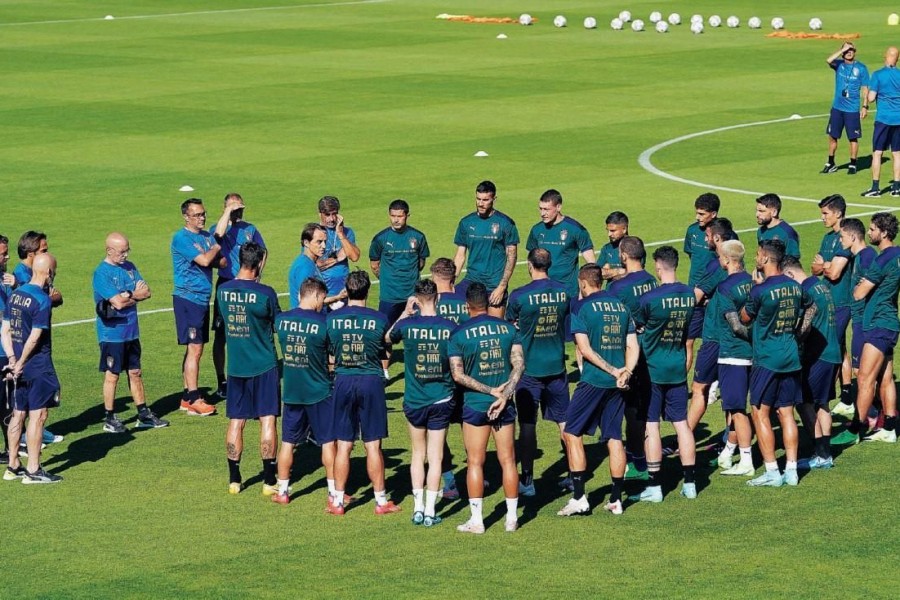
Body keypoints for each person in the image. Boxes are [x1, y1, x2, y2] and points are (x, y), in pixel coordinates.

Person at [557, 265, 637, 517]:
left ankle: (579, 497)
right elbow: (633, 346)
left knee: (571, 433)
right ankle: (616, 499)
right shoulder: (622, 307)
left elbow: (585, 350)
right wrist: (626, 372)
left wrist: (614, 371)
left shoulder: (582, 308)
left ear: (583, 283)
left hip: (594, 381)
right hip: (618, 384)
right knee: (614, 437)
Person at [449, 282, 524, 533]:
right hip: (504, 404)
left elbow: (458, 376)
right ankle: (512, 519)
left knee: (475, 462)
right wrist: (504, 394)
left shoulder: (458, 335)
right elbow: (519, 366)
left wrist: (487, 391)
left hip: (475, 405)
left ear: (467, 305)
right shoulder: (507, 329)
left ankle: (477, 520)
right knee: (509, 461)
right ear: (489, 303)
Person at [740, 240, 814, 487]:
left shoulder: (760, 291)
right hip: (791, 355)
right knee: (786, 412)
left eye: (758, 254)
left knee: (760, 412)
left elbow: (745, 317)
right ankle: (792, 470)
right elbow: (809, 306)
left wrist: (754, 289)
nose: (755, 257)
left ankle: (772, 471)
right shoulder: (795, 286)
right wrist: (798, 332)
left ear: (765, 259)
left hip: (767, 358)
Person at [328, 271, 400, 515]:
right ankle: (380, 501)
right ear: (368, 291)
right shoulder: (379, 319)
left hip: (343, 380)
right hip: (370, 381)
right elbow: (385, 351)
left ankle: (338, 501)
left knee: (343, 445)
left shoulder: (333, 319)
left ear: (347, 291)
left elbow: (329, 351)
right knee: (372, 445)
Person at [387, 279, 456, 527]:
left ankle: (416, 508)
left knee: (418, 454)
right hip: (442, 397)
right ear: (437, 298)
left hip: (414, 399)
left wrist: (405, 312)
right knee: (436, 457)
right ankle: (429, 511)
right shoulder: (450, 326)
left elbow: (387, 338)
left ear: (416, 298)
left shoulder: (406, 325)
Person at [273, 277, 345, 507]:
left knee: (288, 442)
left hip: (292, 390)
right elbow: (333, 355)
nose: (322, 303)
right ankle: (334, 493)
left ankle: (282, 490)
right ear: (314, 295)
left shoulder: (282, 321)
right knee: (327, 442)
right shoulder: (324, 323)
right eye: (322, 298)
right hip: (319, 390)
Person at [216, 242, 281, 495]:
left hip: (236, 367)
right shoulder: (266, 293)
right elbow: (277, 324)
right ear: (260, 262)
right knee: (267, 420)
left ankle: (234, 479)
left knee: (236, 421)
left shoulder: (223, 291)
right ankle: (268, 480)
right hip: (264, 365)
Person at [634, 247, 698, 502]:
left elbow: (639, 327)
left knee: (652, 425)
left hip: (653, 369)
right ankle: (691, 483)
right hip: (677, 365)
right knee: (681, 423)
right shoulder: (689, 295)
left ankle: (655, 486)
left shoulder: (649, 299)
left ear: (658, 267)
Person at [505, 248, 570, 496]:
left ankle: (528, 481)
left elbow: (511, 327)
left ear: (530, 265)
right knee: (565, 423)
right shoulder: (564, 291)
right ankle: (575, 476)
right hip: (557, 366)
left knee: (528, 424)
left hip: (529, 370)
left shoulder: (520, 296)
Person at [92, 233, 168, 433]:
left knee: (135, 372)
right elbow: (116, 302)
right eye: (122, 251)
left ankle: (143, 414)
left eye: (127, 250)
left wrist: (129, 295)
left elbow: (146, 292)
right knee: (113, 375)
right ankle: (109, 417)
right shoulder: (102, 273)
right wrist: (133, 296)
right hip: (112, 334)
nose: (125, 255)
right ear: (109, 250)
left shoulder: (130, 268)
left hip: (131, 331)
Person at [835, 213, 900, 443]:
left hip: (877, 323)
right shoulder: (898, 254)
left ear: (883, 233)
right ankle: (890, 428)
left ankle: (855, 429)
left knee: (864, 378)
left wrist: (861, 286)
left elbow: (859, 292)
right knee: (885, 378)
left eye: (872, 229)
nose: (869, 232)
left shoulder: (881, 260)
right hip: (890, 322)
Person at [1, 253, 62, 483]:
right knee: (38, 416)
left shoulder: (16, 294)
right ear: (48, 273)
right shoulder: (42, 299)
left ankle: (13, 465)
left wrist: (12, 359)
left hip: (17, 364)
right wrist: (23, 361)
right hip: (37, 366)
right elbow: (35, 338)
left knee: (18, 414)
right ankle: (33, 470)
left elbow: (4, 330)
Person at [782, 257, 840, 469]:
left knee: (804, 402)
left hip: (819, 355)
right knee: (822, 403)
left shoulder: (806, 292)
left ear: (789, 274)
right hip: (832, 351)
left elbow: (803, 327)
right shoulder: (820, 285)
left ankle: (821, 453)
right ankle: (825, 452)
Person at [607, 236, 656, 481]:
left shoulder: (617, 289)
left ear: (623, 256)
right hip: (649, 349)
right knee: (641, 407)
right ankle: (641, 455)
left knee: (627, 409)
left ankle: (634, 460)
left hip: (626, 353)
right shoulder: (651, 280)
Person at [210, 193, 266, 400]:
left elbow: (263, 251)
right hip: (226, 285)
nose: (238, 211)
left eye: (240, 208)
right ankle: (222, 380)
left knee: (248, 331)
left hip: (248, 285)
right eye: (234, 208)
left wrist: (258, 275)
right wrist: (228, 212)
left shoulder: (250, 229)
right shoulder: (219, 228)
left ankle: (249, 376)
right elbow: (217, 235)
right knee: (221, 334)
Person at [171, 198, 222, 416]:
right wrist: (216, 248)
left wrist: (212, 255)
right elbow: (204, 261)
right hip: (187, 299)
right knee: (195, 348)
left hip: (201, 298)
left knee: (194, 347)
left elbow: (222, 263)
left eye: (203, 214)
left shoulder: (205, 237)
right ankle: (194, 397)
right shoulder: (181, 238)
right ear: (186, 216)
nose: (201, 218)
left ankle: (186, 396)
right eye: (196, 215)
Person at [369, 199, 430, 377]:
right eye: (393, 216)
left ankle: (421, 367)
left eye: (400, 216)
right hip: (389, 295)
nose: (396, 220)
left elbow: (421, 262)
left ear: (407, 216)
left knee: (418, 333)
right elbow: (374, 264)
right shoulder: (381, 238)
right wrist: (388, 279)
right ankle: (384, 370)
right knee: (386, 333)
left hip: (412, 295)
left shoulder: (418, 237)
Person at [714, 240, 755, 476]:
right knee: (743, 407)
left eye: (720, 256)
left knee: (737, 410)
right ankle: (729, 450)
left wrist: (751, 337)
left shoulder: (725, 288)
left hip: (733, 355)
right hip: (754, 355)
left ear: (728, 260)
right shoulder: (752, 281)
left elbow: (737, 327)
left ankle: (747, 460)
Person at [430, 257, 469, 499]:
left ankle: (449, 483)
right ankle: (478, 473)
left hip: (436, 377)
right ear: (454, 278)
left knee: (438, 431)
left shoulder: (428, 306)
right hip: (465, 375)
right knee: (470, 426)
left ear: (434, 279)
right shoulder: (466, 304)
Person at [811, 195, 854, 410]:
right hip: (827, 301)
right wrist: (825, 265)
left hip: (841, 301)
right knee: (840, 347)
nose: (822, 217)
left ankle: (828, 396)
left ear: (838, 213)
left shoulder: (847, 237)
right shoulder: (828, 238)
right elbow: (814, 268)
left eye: (825, 213)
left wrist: (825, 265)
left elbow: (835, 273)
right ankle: (847, 394)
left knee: (831, 348)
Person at [453, 181, 519, 318]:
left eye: (485, 200)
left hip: (494, 284)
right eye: (478, 199)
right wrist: (451, 282)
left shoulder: (506, 223)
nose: (480, 203)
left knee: (495, 329)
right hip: (471, 282)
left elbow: (512, 257)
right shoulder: (466, 222)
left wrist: (502, 287)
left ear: (494, 199)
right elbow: (460, 255)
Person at [833, 218, 877, 419]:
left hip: (864, 321)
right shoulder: (859, 256)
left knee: (862, 373)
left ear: (852, 236)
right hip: (859, 318)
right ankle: (874, 414)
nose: (840, 240)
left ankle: (872, 414)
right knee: (862, 372)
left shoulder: (867, 256)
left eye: (842, 237)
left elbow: (874, 285)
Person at [525, 189, 595, 298]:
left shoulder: (575, 229)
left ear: (558, 207)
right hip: (544, 291)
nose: (543, 213)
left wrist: (584, 292)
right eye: (541, 209)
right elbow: (531, 261)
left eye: (547, 209)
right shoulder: (536, 230)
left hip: (568, 291)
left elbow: (591, 264)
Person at [684, 194, 719, 370]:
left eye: (702, 214)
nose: (697, 217)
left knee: (712, 341)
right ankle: (681, 385)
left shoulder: (724, 234)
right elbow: (691, 255)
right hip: (694, 295)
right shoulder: (692, 231)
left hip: (715, 297)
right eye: (696, 213)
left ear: (713, 214)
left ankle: (711, 383)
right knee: (687, 340)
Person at [822, 42, 870, 175]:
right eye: (847, 50)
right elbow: (828, 60)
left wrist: (865, 106)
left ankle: (853, 164)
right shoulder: (839, 65)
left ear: (855, 51)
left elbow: (865, 88)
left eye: (852, 50)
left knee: (853, 138)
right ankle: (831, 162)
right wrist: (841, 50)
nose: (849, 52)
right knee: (832, 136)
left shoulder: (861, 68)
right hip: (837, 108)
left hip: (852, 109)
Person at [861, 46, 900, 197]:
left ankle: (875, 187)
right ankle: (896, 187)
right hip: (899, 119)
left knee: (877, 153)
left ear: (885, 56)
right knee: (897, 154)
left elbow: (871, 98)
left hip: (884, 119)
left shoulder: (878, 75)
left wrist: (865, 97)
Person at [287, 223, 345, 311]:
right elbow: (307, 301)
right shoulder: (305, 267)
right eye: (319, 242)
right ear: (306, 243)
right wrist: (338, 297)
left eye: (325, 242)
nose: (324, 246)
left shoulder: (308, 262)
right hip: (308, 319)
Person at [316, 196, 360, 303]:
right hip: (323, 293)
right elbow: (315, 265)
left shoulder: (347, 232)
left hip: (345, 292)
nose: (331, 219)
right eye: (327, 215)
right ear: (320, 214)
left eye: (334, 214)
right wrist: (337, 258)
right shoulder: (314, 233)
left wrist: (340, 233)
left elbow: (354, 257)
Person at [755, 193, 801, 266]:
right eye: (757, 210)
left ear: (774, 212)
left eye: (761, 211)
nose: (757, 214)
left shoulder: (787, 233)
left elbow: (793, 262)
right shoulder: (760, 231)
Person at [0, 235, 14, 462]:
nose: (7, 256)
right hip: (2, 352)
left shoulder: (6, 279)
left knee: (8, 403)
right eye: (3, 253)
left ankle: (10, 448)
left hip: (5, 350)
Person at [597, 211, 630, 284]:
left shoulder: (635, 247)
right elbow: (597, 274)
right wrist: (620, 271)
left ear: (624, 229)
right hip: (611, 294)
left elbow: (634, 273)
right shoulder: (606, 249)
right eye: (608, 230)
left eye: (613, 231)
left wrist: (610, 268)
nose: (609, 234)